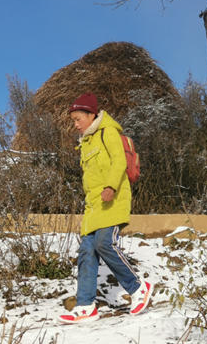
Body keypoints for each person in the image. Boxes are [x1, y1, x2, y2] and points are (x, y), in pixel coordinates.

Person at [58, 93, 153, 324]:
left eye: (78, 118)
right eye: (73, 120)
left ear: (91, 115)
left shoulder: (107, 132)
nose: (75, 124)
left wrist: (110, 186)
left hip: (112, 200)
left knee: (103, 243)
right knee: (86, 253)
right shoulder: (85, 142)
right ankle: (85, 306)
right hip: (93, 207)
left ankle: (138, 287)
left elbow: (119, 162)